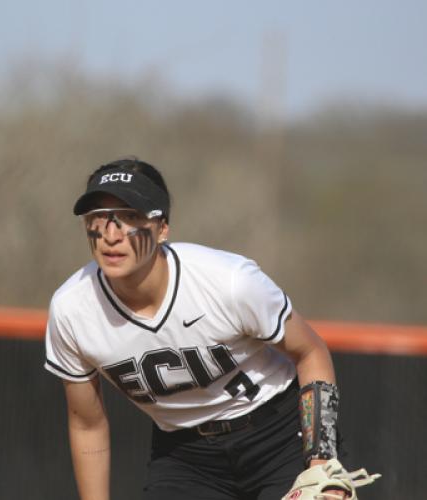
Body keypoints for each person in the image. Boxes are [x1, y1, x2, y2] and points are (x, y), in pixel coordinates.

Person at [44, 158, 347, 500]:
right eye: (98, 217)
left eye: (130, 217)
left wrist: (321, 461)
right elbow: (87, 424)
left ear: (162, 228)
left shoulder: (228, 283)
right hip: (185, 457)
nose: (111, 234)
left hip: (278, 436)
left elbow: (311, 352)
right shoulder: (72, 310)